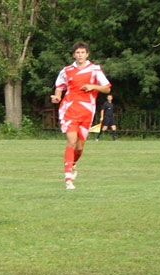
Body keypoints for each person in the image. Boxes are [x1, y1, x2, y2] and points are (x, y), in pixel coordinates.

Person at [50, 42, 111, 190]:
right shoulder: (66, 70)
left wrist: (93, 86)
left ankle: (73, 163)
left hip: (87, 111)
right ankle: (68, 179)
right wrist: (57, 97)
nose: (80, 55)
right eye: (77, 53)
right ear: (73, 55)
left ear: (87, 54)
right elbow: (59, 86)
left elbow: (107, 88)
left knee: (79, 147)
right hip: (69, 109)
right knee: (71, 141)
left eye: (83, 52)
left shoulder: (94, 69)